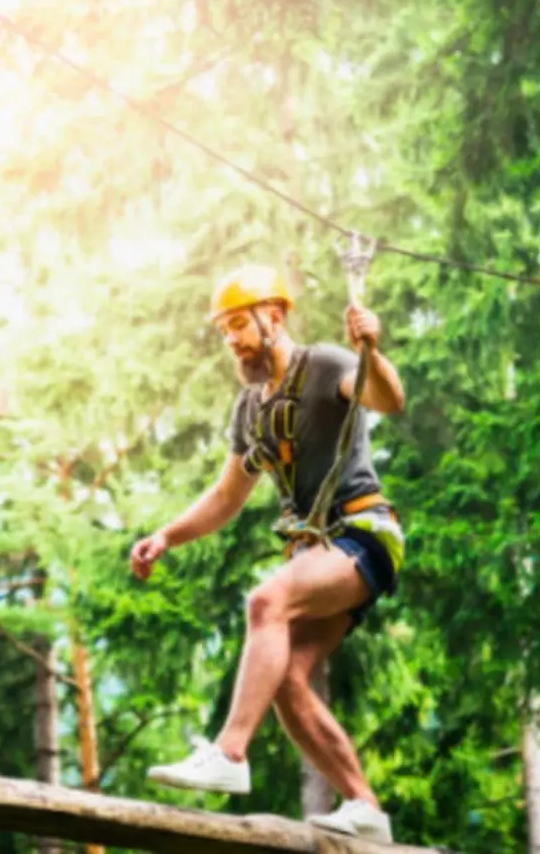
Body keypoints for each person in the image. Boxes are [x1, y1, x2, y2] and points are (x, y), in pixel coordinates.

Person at [128, 262, 407, 842]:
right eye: (224, 329)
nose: (231, 339)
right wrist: (167, 536)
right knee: (286, 680)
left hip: (364, 532)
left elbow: (388, 398)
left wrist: (370, 348)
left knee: (266, 601)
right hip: (323, 548)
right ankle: (366, 809)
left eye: (238, 325)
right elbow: (228, 494)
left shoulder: (328, 365)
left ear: (273, 317)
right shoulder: (251, 409)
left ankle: (229, 753)